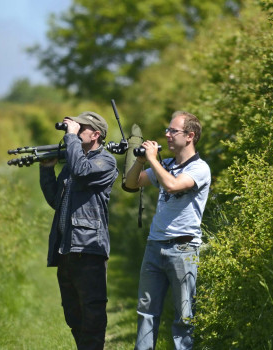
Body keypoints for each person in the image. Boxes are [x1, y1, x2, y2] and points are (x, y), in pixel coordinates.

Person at [123, 111, 211, 350]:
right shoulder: (167, 165)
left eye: (173, 131)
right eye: (168, 130)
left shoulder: (200, 169)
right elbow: (131, 184)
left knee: (184, 318)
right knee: (146, 313)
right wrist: (140, 160)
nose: (167, 135)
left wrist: (152, 159)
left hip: (183, 248)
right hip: (154, 246)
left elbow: (172, 185)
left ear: (190, 136)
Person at [39, 111, 119, 350]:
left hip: (88, 248)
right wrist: (47, 170)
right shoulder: (74, 161)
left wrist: (71, 138)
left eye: (79, 128)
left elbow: (82, 171)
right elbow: (56, 200)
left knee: (92, 314)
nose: (71, 131)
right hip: (66, 248)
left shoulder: (105, 161)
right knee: (73, 316)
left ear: (95, 134)